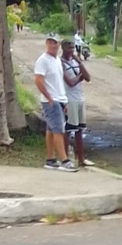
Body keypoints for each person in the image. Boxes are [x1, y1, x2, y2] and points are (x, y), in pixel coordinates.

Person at [33, 35, 76, 172]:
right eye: (51, 43)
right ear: (47, 43)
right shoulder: (43, 60)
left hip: (60, 98)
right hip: (51, 100)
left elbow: (58, 82)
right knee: (58, 129)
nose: (54, 45)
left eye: (56, 43)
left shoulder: (56, 60)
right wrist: (49, 97)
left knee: (51, 129)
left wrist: (64, 101)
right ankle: (64, 160)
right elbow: (38, 80)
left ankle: (50, 159)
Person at [60, 40, 94, 167]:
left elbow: (88, 78)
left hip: (80, 98)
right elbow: (70, 82)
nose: (72, 50)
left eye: (73, 47)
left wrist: (80, 62)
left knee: (80, 130)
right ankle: (65, 158)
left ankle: (81, 158)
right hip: (70, 99)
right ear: (63, 48)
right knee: (68, 129)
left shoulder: (75, 61)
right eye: (69, 48)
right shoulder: (61, 63)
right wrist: (80, 77)